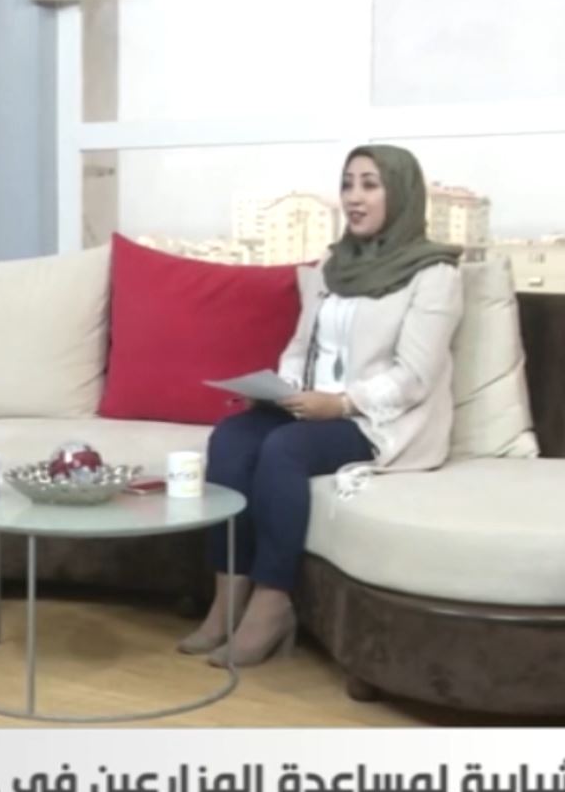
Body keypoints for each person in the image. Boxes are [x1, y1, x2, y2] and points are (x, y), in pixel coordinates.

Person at [182, 145, 464, 668]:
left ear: (401, 194)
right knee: (233, 438)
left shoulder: (434, 274)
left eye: (370, 185)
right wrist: (279, 388)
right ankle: (227, 598)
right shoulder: (334, 264)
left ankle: (273, 602)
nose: (354, 197)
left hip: (380, 420)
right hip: (311, 405)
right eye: (348, 183)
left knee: (284, 449)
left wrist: (340, 404)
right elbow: (300, 346)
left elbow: (415, 376)